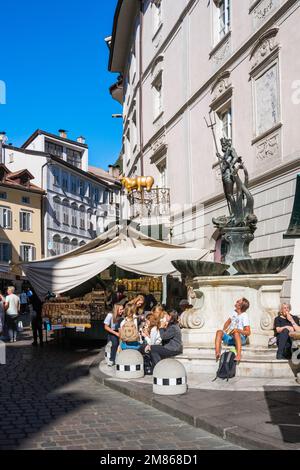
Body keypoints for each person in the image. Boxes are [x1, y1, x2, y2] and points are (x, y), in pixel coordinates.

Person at [215, 297, 251, 363]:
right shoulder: (234, 313)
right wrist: (224, 330)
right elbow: (227, 323)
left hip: (240, 339)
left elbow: (248, 332)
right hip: (231, 338)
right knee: (219, 332)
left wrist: (237, 330)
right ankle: (217, 352)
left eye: (238, 301)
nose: (236, 302)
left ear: (240, 306)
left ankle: (239, 355)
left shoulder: (244, 315)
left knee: (236, 333)